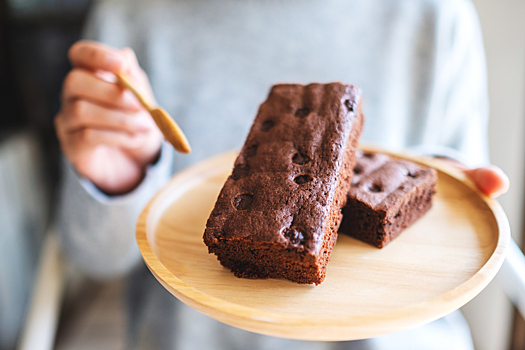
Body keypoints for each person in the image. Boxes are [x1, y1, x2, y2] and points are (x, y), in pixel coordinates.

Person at [54, 0, 509, 349]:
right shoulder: (133, 16)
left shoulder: (435, 14)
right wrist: (119, 179)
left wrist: (441, 187)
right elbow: (94, 257)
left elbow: (455, 204)